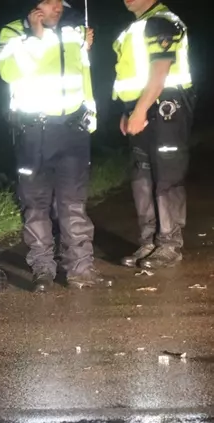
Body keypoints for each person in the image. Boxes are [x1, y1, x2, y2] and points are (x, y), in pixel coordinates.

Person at [0, 0, 112, 291]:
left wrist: (90, 118)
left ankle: (81, 270)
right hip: (33, 132)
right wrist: (36, 37)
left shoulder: (74, 32)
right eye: (49, 2)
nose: (57, 7)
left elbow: (84, 75)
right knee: (35, 205)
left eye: (60, 2)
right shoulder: (11, 34)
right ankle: (42, 269)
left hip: (72, 130)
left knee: (73, 204)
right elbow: (10, 72)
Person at [113, 0, 195, 269]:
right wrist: (130, 110)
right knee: (142, 176)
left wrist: (140, 110)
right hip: (143, 105)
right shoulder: (136, 27)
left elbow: (160, 71)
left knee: (166, 177)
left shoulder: (161, 21)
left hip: (165, 107)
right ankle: (149, 242)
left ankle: (169, 245)